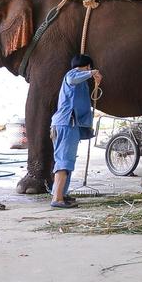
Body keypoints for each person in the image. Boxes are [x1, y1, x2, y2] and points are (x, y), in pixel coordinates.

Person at [50, 53, 101, 209]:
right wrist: (92, 73)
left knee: (67, 161)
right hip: (67, 124)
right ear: (87, 66)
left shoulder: (82, 81)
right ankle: (57, 199)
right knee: (64, 161)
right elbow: (73, 78)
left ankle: (61, 195)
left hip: (70, 124)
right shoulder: (72, 74)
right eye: (89, 67)